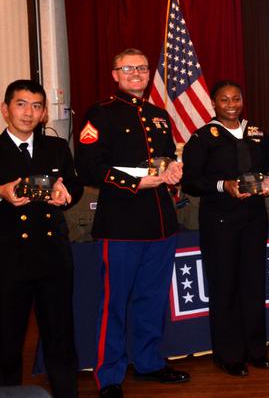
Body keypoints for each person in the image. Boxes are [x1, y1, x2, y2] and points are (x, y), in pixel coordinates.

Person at [75, 48, 188, 398]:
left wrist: (173, 172)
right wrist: (135, 182)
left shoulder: (159, 115)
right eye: (128, 68)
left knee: (152, 300)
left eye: (141, 68)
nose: (136, 74)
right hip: (121, 225)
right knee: (115, 304)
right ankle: (109, 376)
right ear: (115, 74)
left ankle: (149, 362)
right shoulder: (101, 114)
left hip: (161, 224)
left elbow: (166, 158)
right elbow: (89, 167)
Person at [182, 81, 269, 377]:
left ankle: (256, 350)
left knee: (253, 283)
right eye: (224, 100)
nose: (231, 104)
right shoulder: (202, 138)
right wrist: (223, 185)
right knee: (225, 288)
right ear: (214, 103)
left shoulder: (256, 133)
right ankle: (228, 355)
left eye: (236, 98)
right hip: (220, 221)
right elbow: (190, 182)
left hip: (253, 219)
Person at [0, 80, 82, 397]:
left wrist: (66, 195)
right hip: (9, 258)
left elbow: (73, 185)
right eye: (21, 104)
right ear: (6, 109)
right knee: (7, 338)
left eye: (36, 106)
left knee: (60, 334)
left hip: (52, 257)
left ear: (44, 113)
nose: (28, 112)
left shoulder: (56, 148)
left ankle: (65, 393)